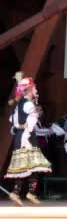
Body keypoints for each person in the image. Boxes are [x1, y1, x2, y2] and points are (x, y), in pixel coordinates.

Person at [5, 72, 52, 206]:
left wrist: (18, 127)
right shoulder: (28, 105)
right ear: (29, 90)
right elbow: (31, 121)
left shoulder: (20, 105)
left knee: (29, 165)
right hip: (26, 136)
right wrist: (26, 134)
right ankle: (23, 192)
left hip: (21, 135)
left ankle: (23, 192)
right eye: (35, 88)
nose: (36, 90)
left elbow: (11, 120)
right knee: (31, 164)